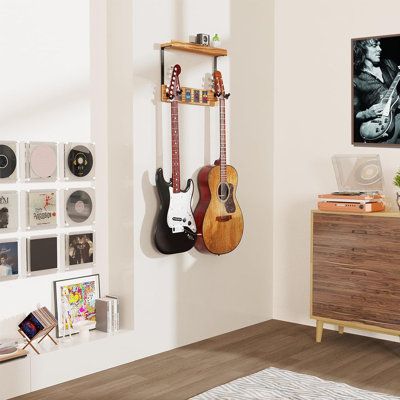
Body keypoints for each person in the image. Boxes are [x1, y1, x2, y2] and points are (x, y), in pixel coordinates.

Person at [353, 38, 400, 143]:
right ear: (362, 49)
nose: (380, 49)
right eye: (374, 46)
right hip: (379, 126)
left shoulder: (389, 64)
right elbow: (353, 113)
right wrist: (368, 113)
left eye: (379, 45)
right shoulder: (356, 79)